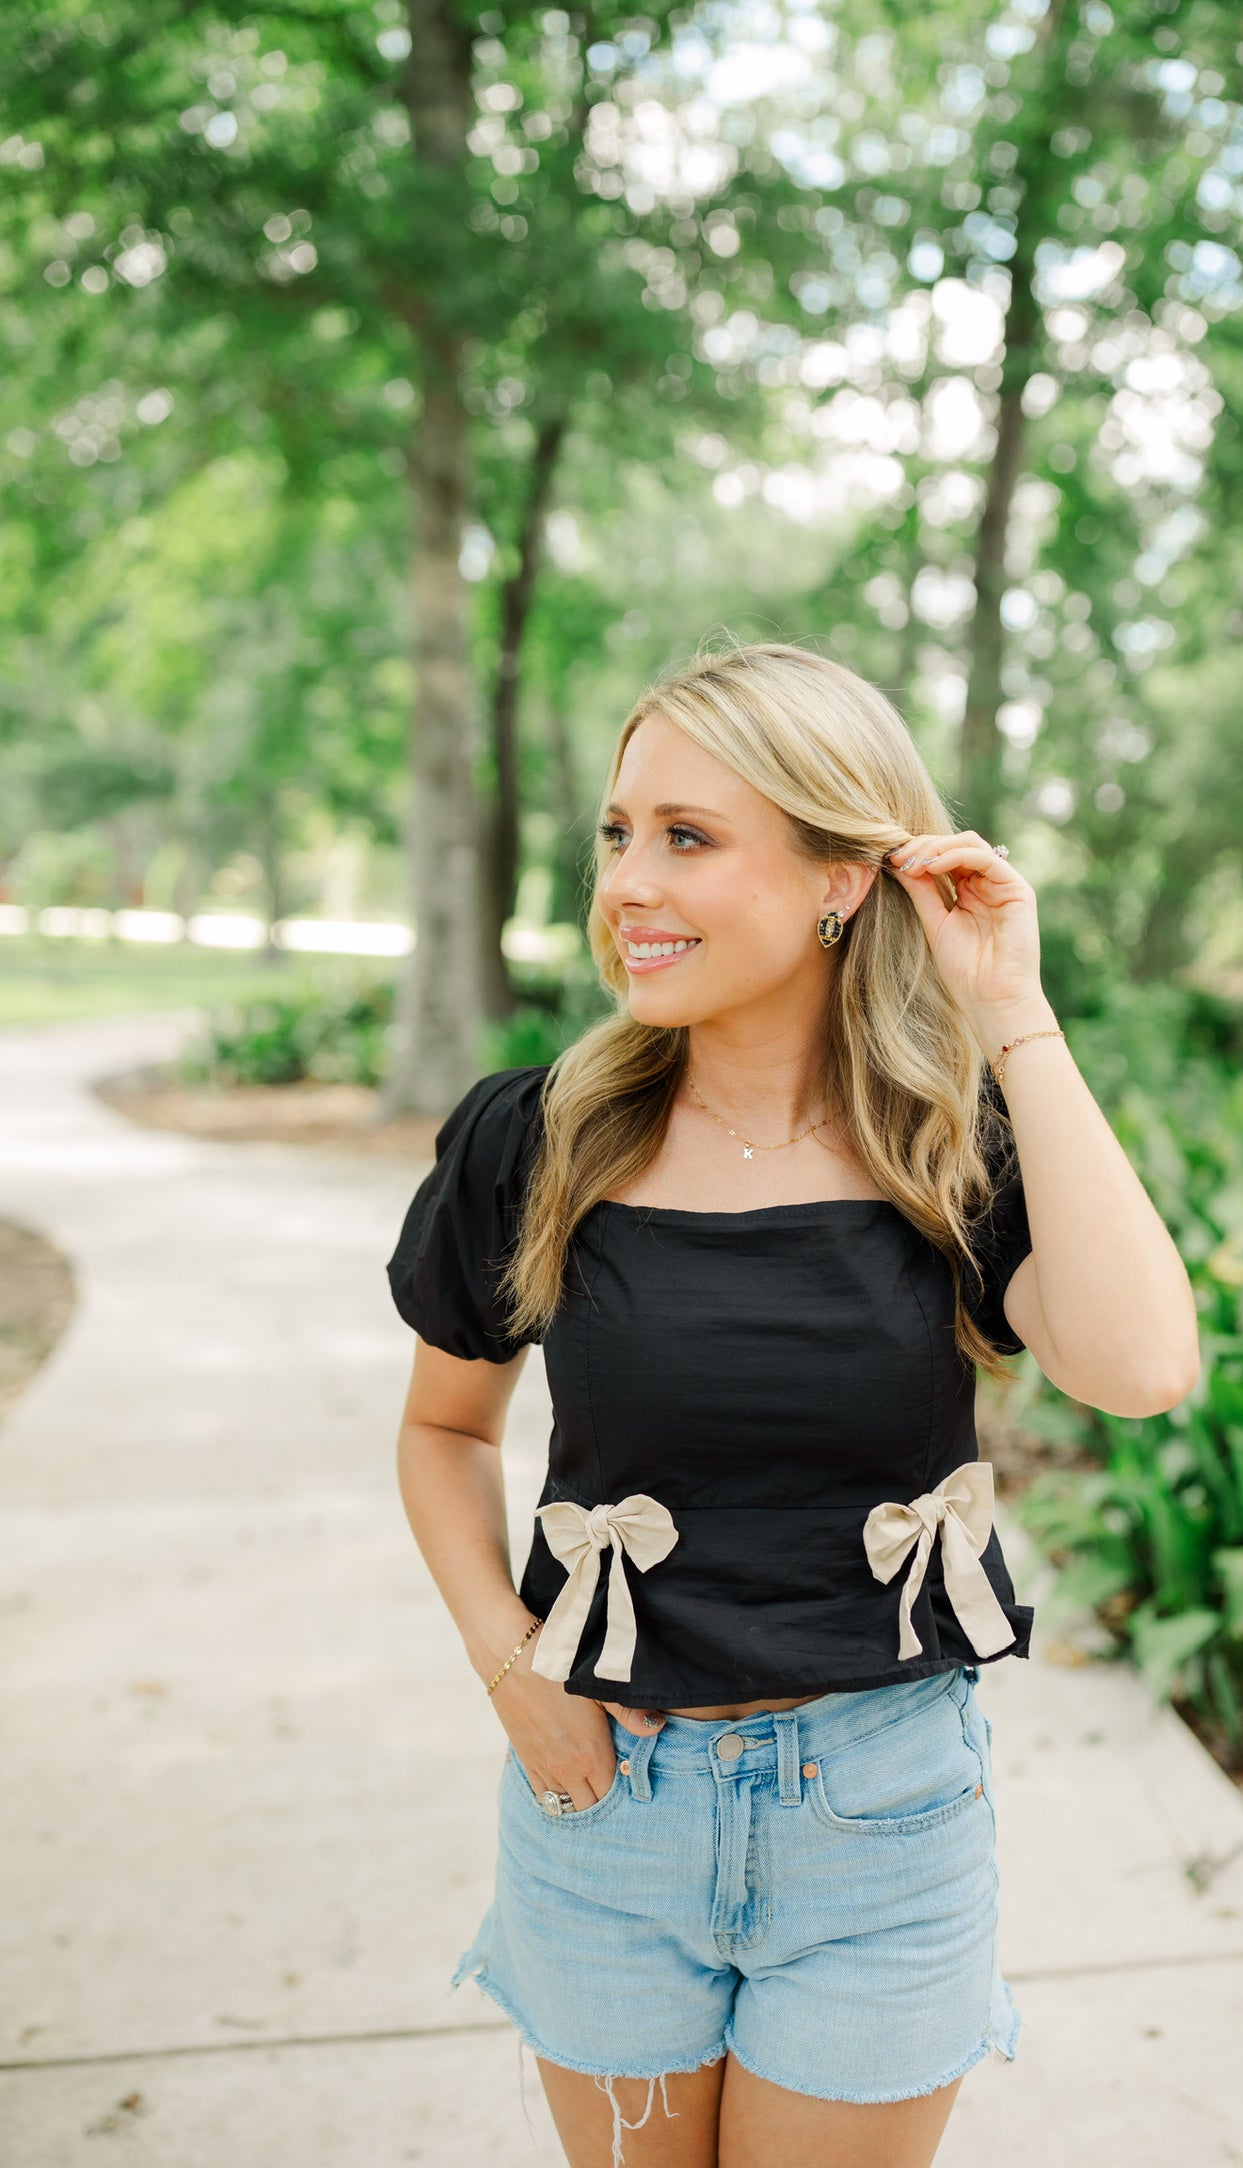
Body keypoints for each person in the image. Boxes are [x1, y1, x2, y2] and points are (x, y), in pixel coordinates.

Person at [387, 641, 1200, 2168]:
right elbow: (441, 1432)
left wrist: (1013, 1015)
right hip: (606, 1812)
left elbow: (1143, 1368)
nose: (628, 880)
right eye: (619, 832)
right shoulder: (537, 1136)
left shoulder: (955, 1148)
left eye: (688, 838)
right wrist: (513, 1671)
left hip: (879, 1821)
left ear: (841, 876)